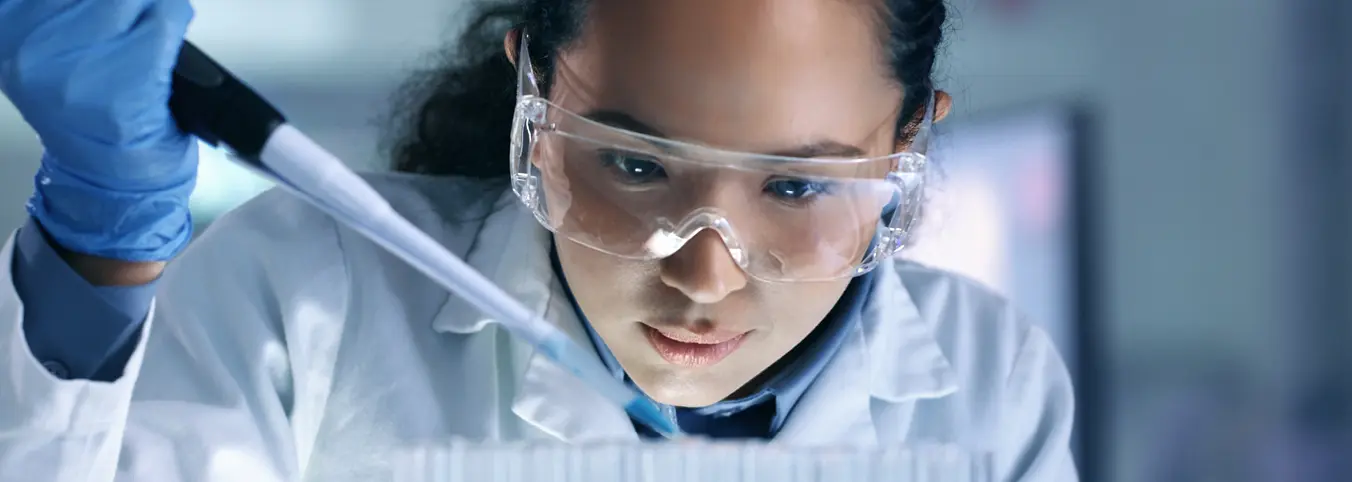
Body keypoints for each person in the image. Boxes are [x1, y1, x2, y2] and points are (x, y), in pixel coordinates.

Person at [0, 0, 1077, 480]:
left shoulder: (989, 382)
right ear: (535, 95)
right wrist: (98, 249)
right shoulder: (307, 297)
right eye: (637, 166)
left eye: (795, 184)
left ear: (905, 143)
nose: (702, 274)